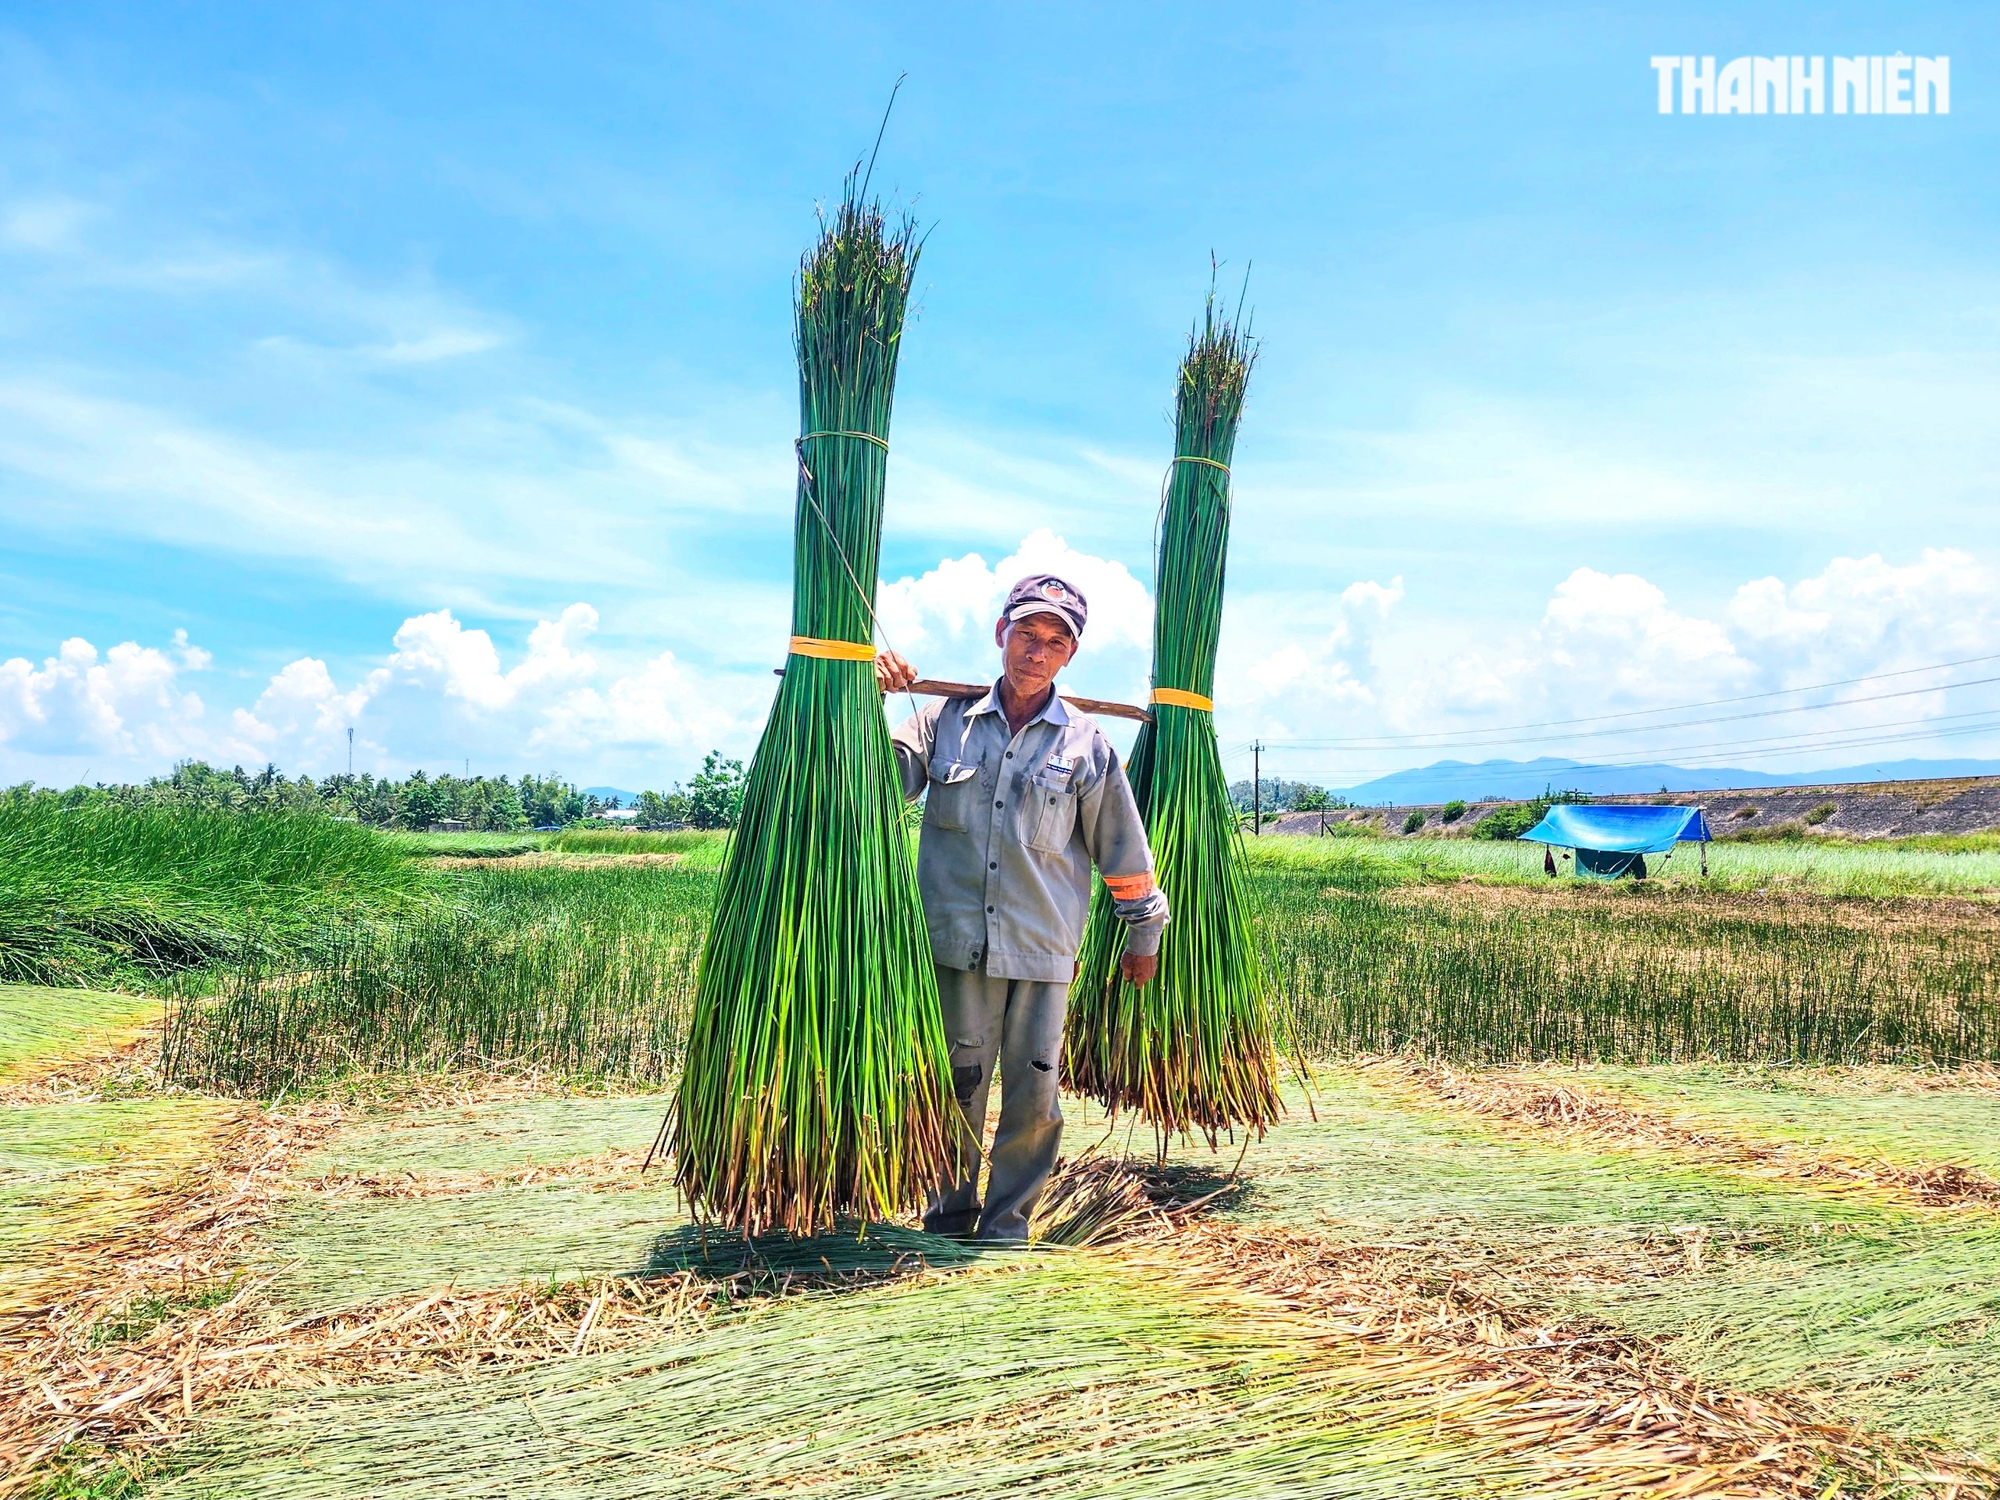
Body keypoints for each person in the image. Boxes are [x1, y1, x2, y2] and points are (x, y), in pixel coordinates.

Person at [877, 573, 1169, 1240]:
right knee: (955, 1087)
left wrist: (1143, 935)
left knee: (1034, 1100)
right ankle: (947, 1221)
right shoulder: (941, 721)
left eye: (1054, 641)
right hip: (954, 949)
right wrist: (866, 700)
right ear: (1001, 634)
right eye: (1027, 634)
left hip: (1041, 952)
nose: (1036, 651)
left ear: (1070, 655)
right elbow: (872, 787)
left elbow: (1122, 851)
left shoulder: (1086, 745)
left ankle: (1007, 1228)